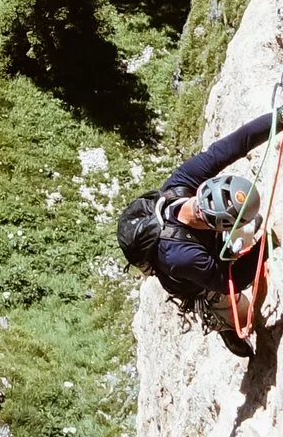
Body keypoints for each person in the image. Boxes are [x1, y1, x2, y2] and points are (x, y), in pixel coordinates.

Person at [116, 107, 273, 339]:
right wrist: (269, 244)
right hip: (192, 278)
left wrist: (278, 118)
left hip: (201, 245)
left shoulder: (182, 183)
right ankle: (223, 322)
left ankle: (235, 241)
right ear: (216, 227)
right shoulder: (182, 255)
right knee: (243, 313)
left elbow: (233, 145)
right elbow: (231, 281)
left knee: (250, 225)